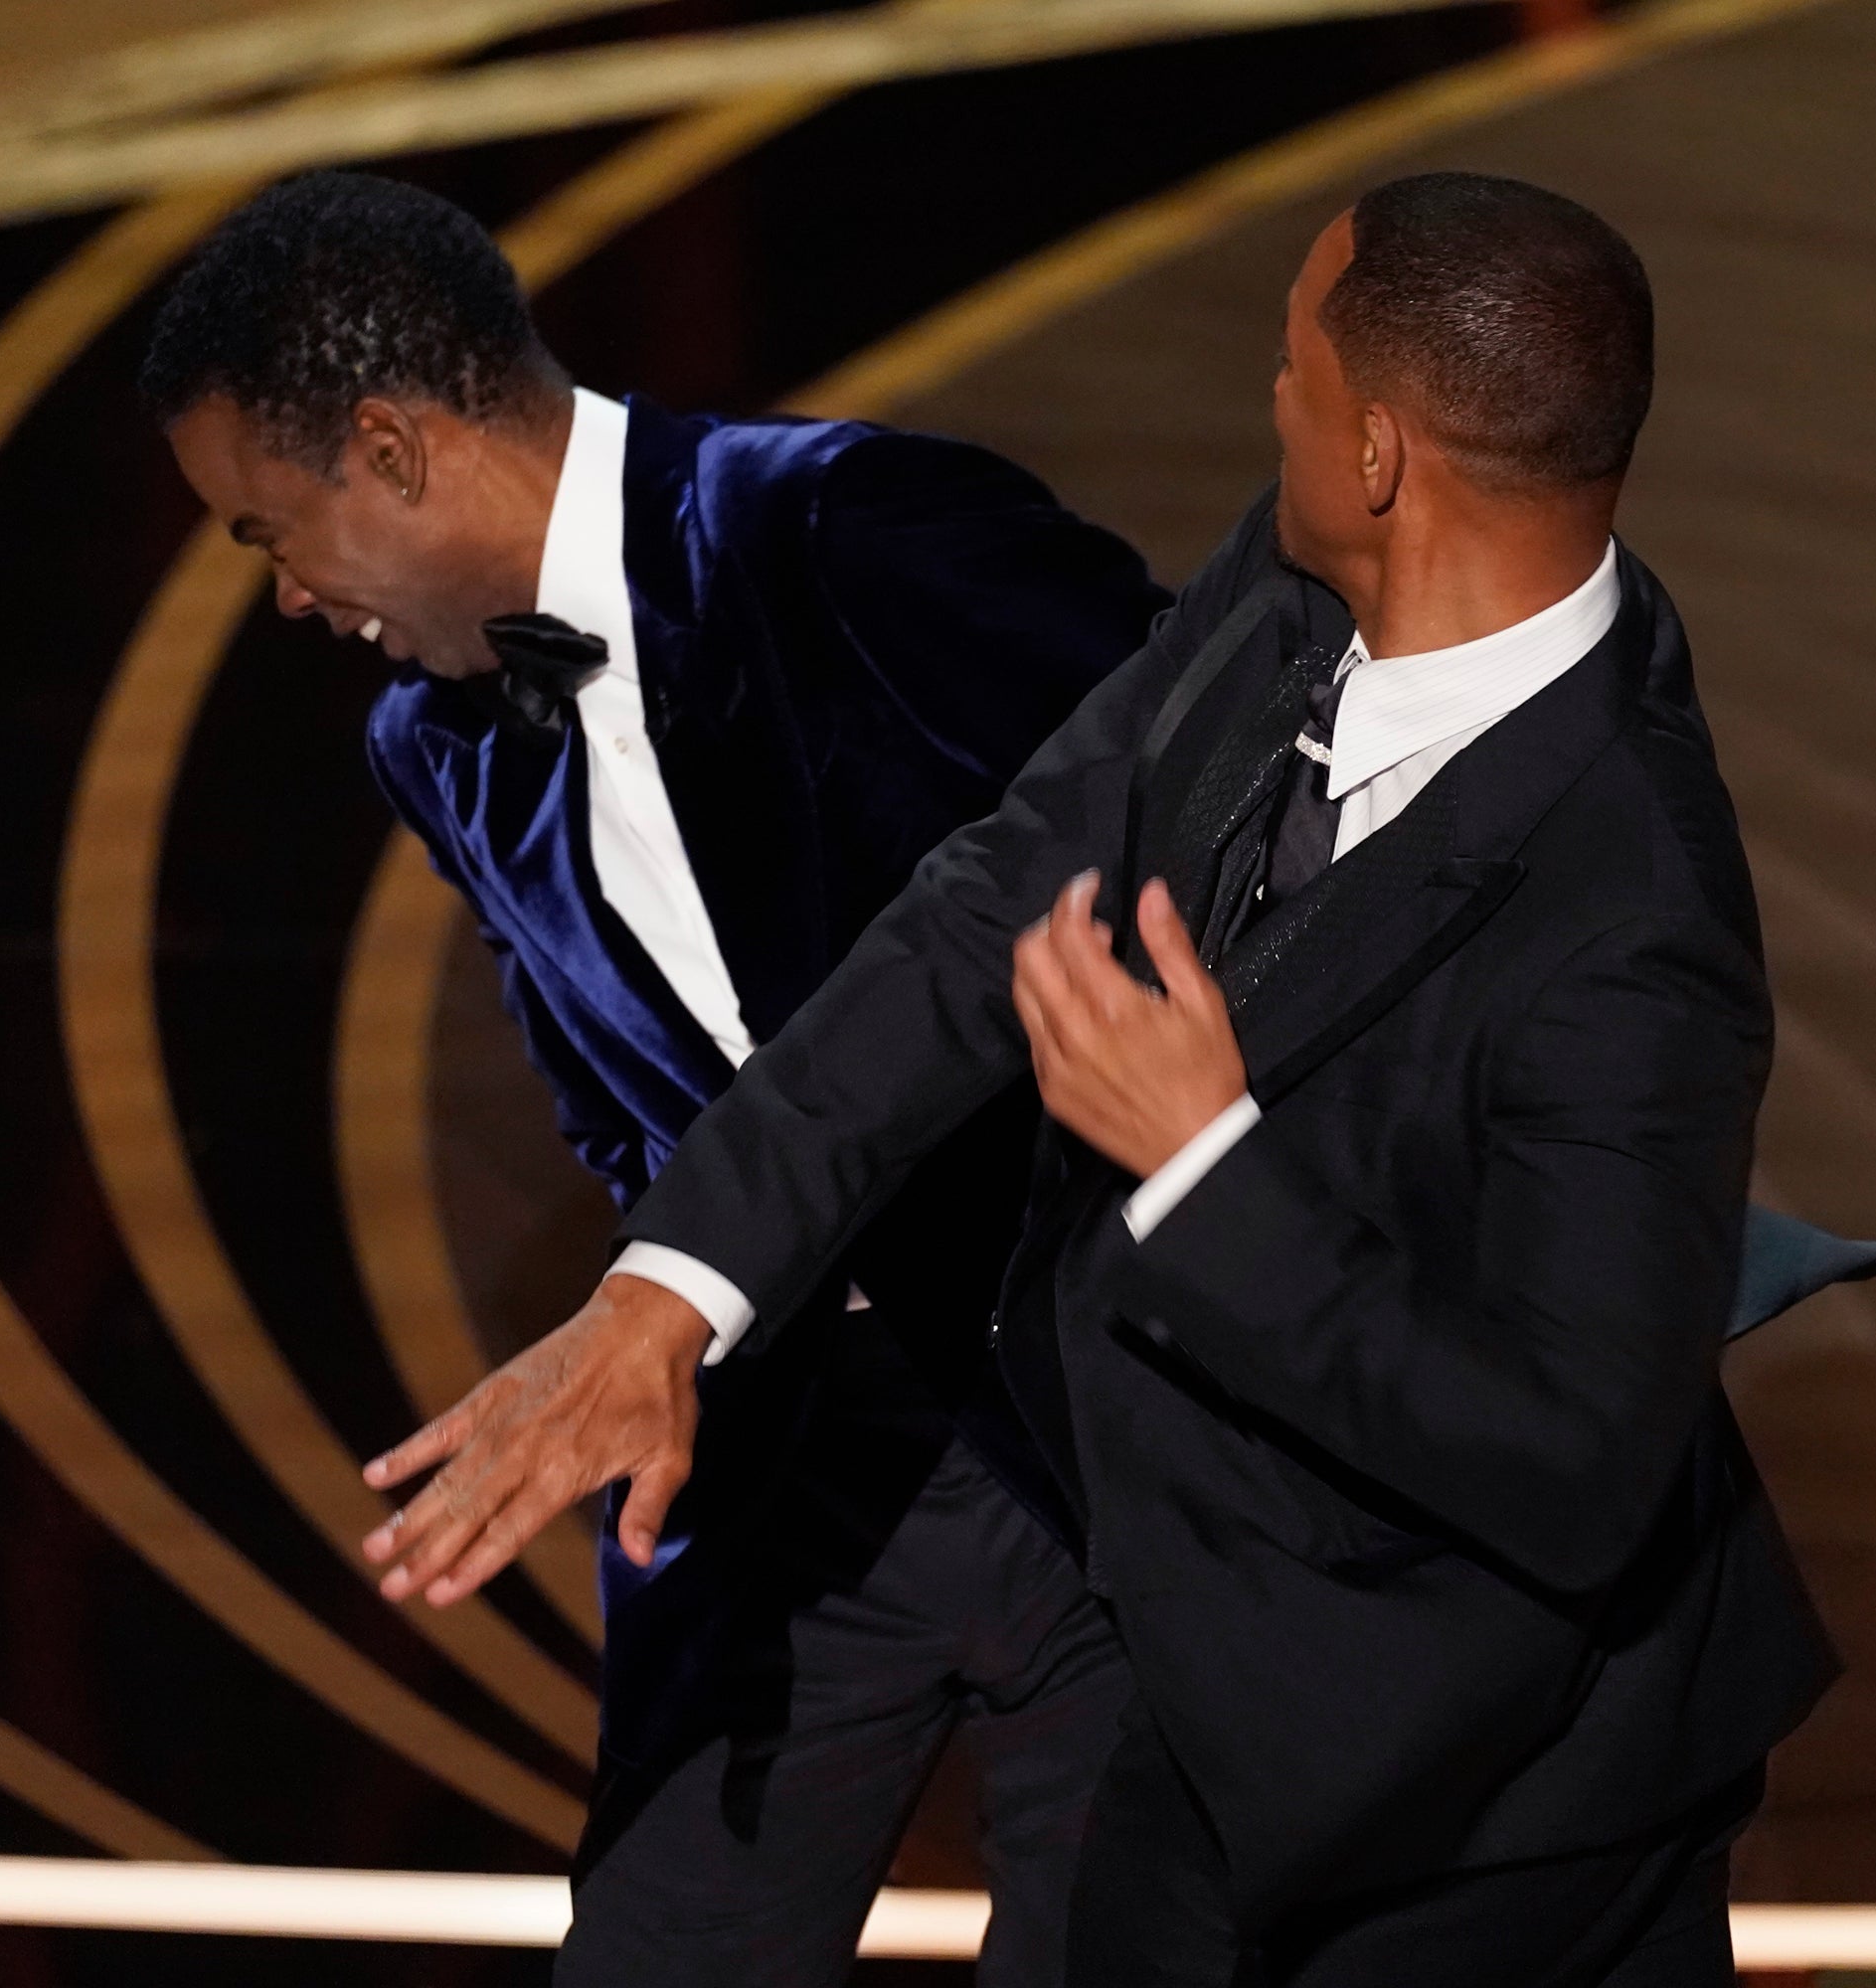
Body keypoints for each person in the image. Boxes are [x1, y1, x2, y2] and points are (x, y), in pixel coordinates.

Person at [361, 172, 1876, 1986]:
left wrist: (1202, 1162)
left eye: (1290, 372)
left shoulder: (1634, 915)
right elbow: (986, 906)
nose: (1269, 402)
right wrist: (672, 1291)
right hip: (1200, 1704)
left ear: (1385, 455)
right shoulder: (1289, 587)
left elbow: (1566, 1465)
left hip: (1492, 1811)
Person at [140, 169, 1171, 1987]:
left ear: (389, 446)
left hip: (1103, 1426)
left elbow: (1232, 849)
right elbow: (616, 1106)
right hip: (781, 1461)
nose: (286, 598)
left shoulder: (854, 526)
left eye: (262, 531)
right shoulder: (431, 745)